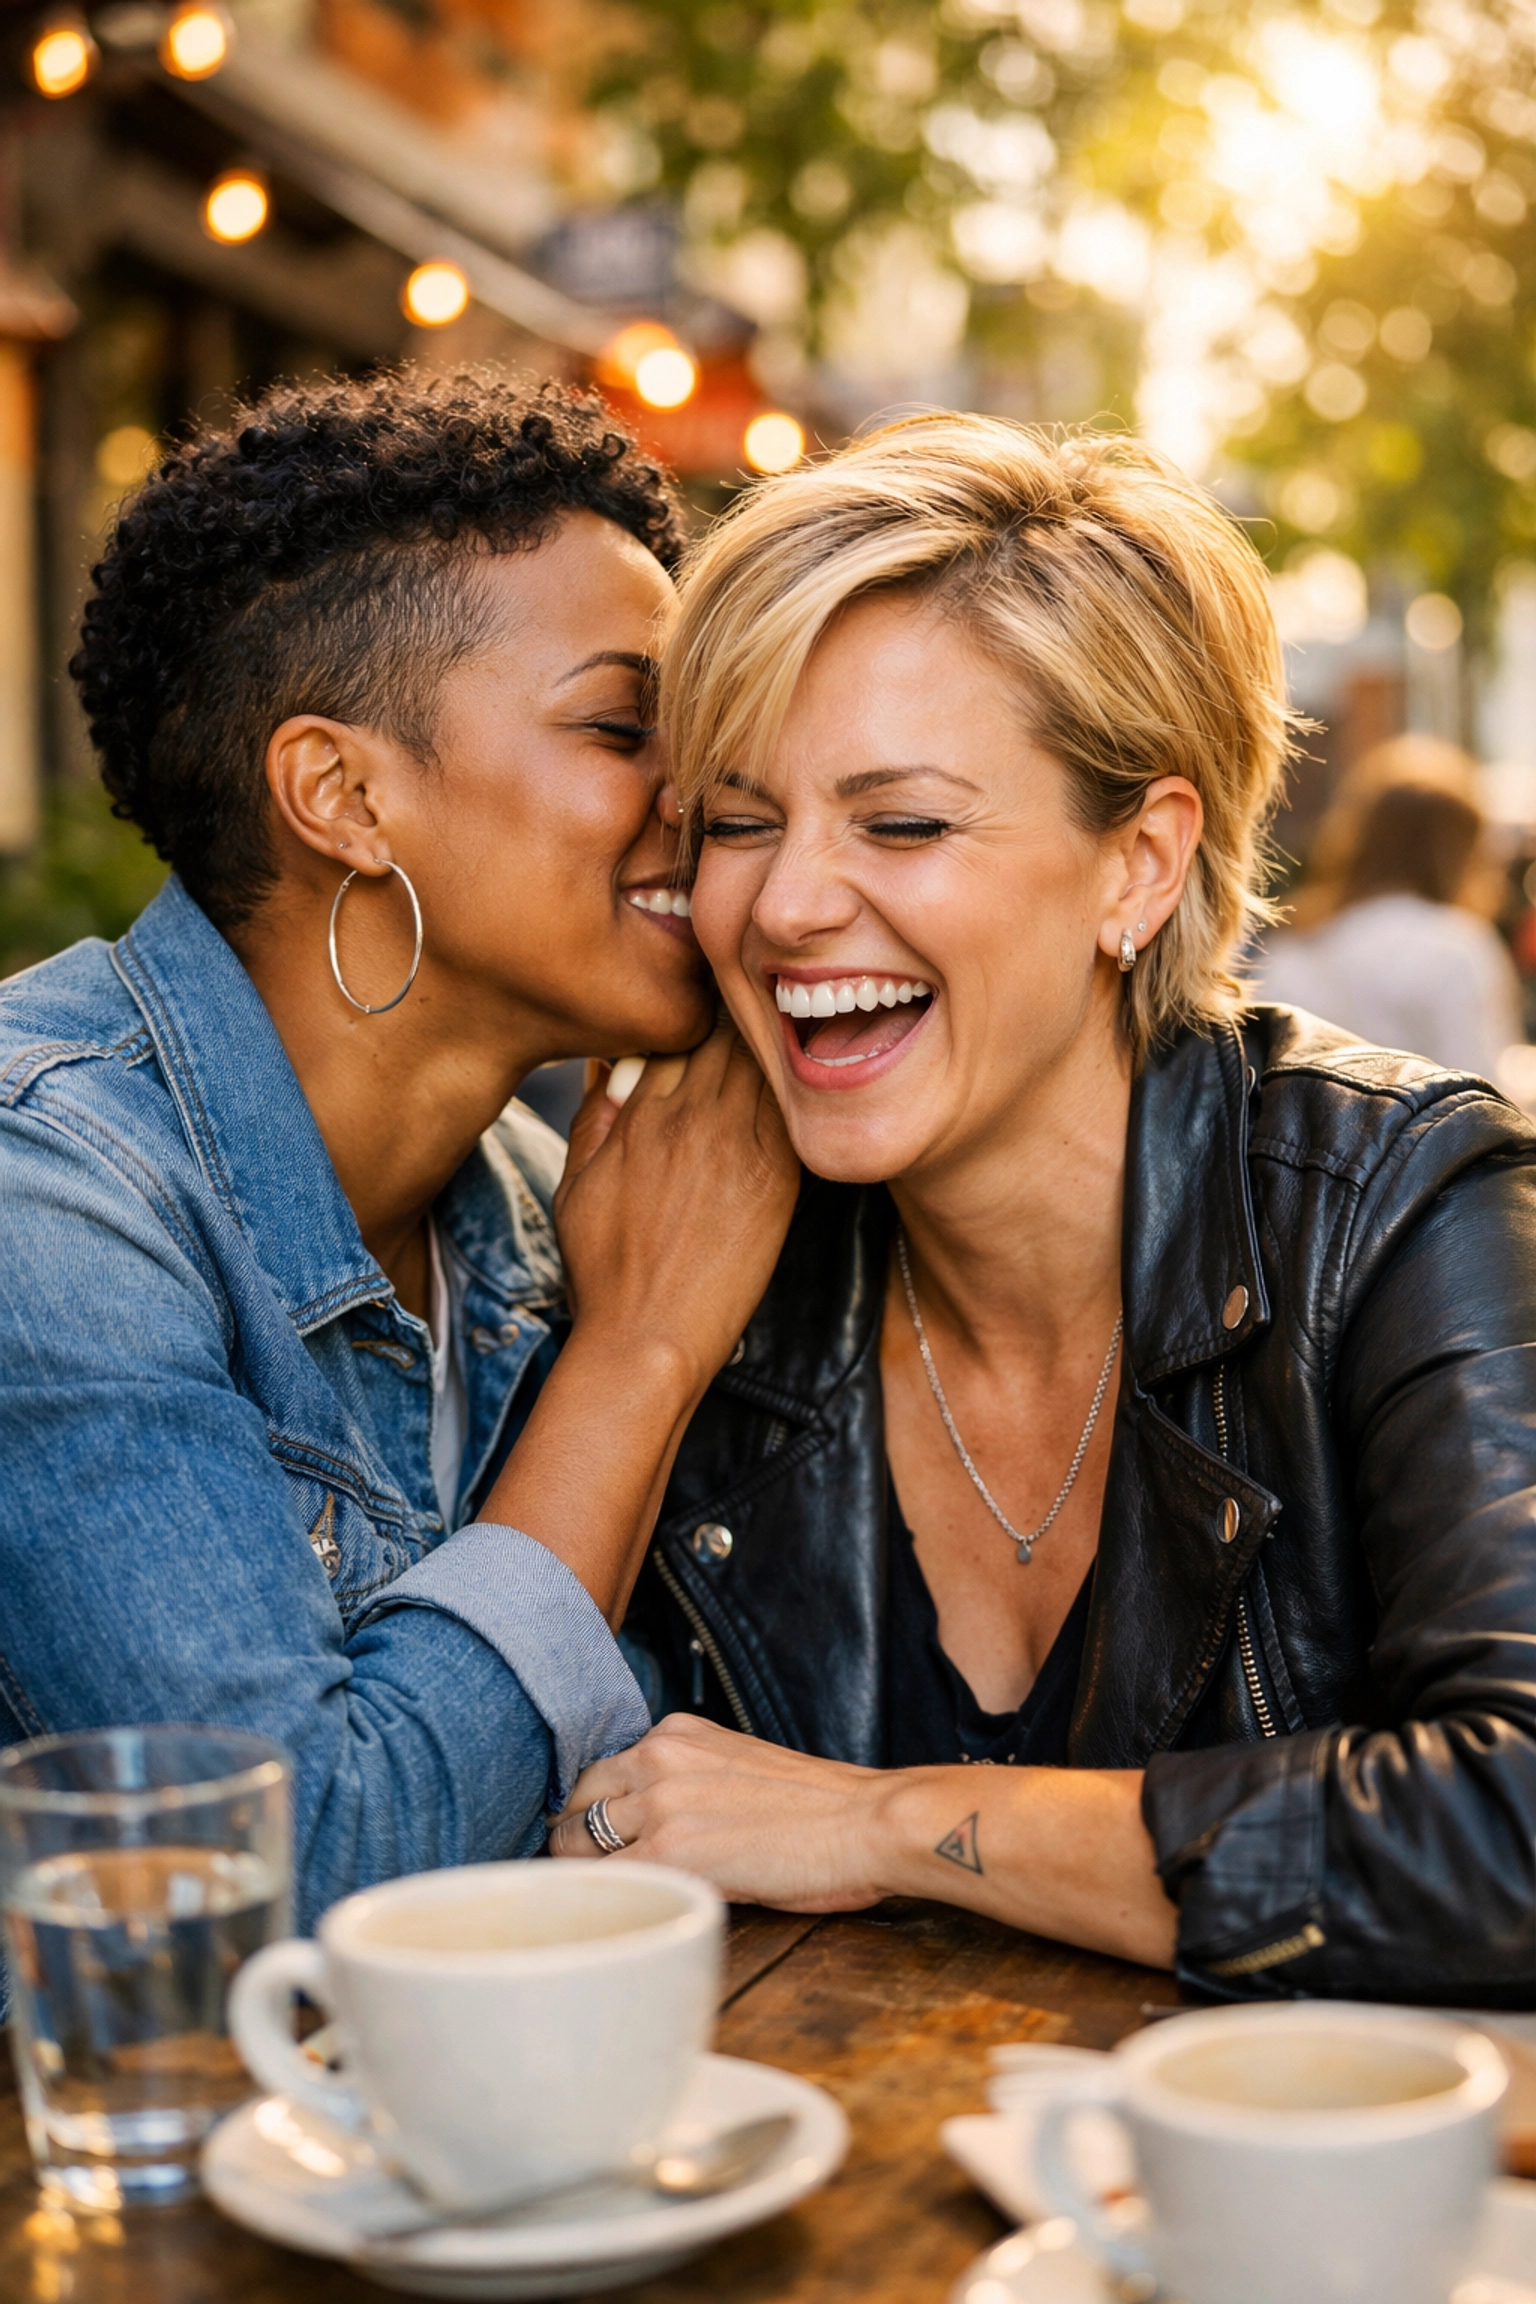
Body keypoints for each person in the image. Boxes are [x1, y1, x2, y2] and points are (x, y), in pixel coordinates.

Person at [551, 416, 1536, 2008]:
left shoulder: (1403, 1207)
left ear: (1138, 866)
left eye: (904, 823)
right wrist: (635, 1351)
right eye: (738, 821)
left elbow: (1514, 1832)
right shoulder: (703, 1248)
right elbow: (553, 1813)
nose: (788, 902)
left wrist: (886, 1824)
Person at [0, 370, 796, 1932]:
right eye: (625, 725)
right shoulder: (50, 1197)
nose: (700, 796)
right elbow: (307, 1877)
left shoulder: (540, 1198)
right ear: (344, 793)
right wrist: (634, 1360)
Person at [1257, 735, 1522, 1078]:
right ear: (1458, 850)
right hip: (1425, 1130)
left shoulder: (1297, 943)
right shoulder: (1458, 950)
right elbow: (1484, 1087)